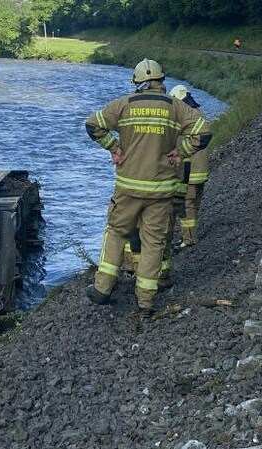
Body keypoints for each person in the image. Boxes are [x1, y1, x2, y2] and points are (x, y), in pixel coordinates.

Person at [85, 59, 212, 317]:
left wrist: (114, 147)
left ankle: (102, 288)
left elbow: (92, 125)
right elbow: (204, 131)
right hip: (161, 190)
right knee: (154, 243)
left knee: (117, 233)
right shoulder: (176, 108)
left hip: (127, 188)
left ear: (138, 83)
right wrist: (182, 151)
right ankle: (145, 303)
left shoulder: (124, 104)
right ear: (161, 82)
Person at [168, 85, 208, 248]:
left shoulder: (184, 120)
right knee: (194, 205)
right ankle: (191, 236)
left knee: (186, 206)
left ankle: (189, 239)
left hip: (189, 171)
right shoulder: (199, 116)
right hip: (202, 170)